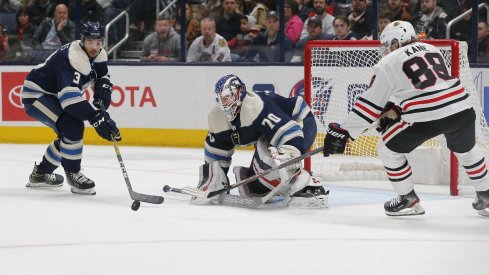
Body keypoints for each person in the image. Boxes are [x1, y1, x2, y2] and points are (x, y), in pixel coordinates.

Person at [322, 20, 489, 217]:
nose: (385, 50)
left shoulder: (388, 62)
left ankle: (407, 199)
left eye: (386, 45)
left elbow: (369, 106)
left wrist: (344, 131)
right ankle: (486, 194)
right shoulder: (431, 48)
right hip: (462, 108)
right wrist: (398, 109)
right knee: (467, 150)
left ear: (395, 41)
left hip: (428, 116)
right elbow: (430, 87)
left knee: (386, 148)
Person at [191, 74, 328, 209]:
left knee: (273, 160)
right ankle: (277, 182)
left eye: (226, 98)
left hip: (301, 123)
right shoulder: (216, 117)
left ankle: (305, 185)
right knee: (255, 189)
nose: (223, 103)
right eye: (220, 98)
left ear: (238, 93)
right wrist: (214, 178)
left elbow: (291, 132)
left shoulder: (257, 107)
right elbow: (217, 150)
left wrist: (288, 156)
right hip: (272, 133)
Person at [21, 21, 121, 195]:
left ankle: (42, 173)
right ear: (82, 40)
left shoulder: (99, 54)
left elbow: (101, 74)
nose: (94, 47)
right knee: (72, 126)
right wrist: (96, 117)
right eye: (90, 42)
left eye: (98, 42)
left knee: (69, 134)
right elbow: (69, 100)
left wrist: (103, 87)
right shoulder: (73, 57)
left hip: (55, 95)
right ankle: (73, 173)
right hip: (36, 95)